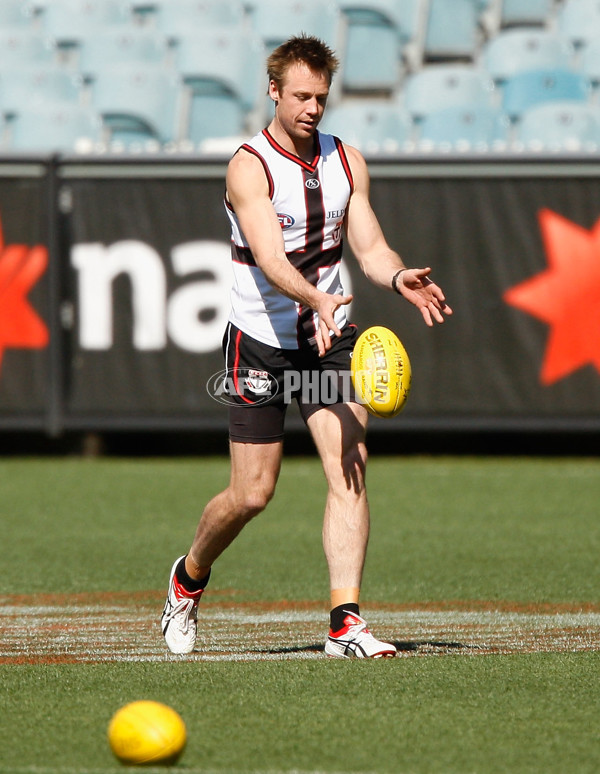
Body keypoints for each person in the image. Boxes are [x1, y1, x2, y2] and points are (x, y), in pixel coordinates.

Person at [161, 34, 452, 659]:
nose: (312, 108)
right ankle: (187, 578)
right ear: (273, 90)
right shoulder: (249, 165)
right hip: (261, 343)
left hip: (328, 342)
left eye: (321, 97)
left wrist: (398, 277)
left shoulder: (347, 162)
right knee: (252, 494)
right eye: (300, 96)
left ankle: (345, 624)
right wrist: (316, 298)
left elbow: (370, 247)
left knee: (350, 466)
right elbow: (269, 257)